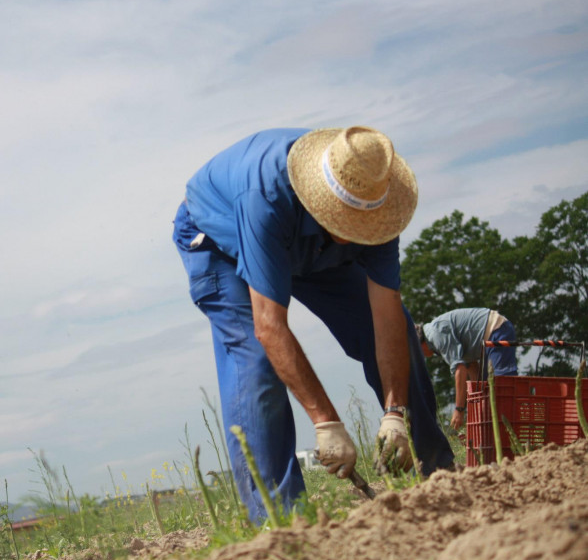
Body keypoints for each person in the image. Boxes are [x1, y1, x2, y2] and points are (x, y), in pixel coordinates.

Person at [172, 126, 454, 521]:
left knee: (402, 331)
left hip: (309, 242)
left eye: (360, 224)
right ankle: (281, 521)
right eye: (345, 220)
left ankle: (438, 476)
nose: (352, 233)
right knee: (255, 362)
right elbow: (269, 326)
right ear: (321, 199)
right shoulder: (265, 199)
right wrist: (326, 422)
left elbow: (386, 317)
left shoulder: (379, 202)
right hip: (221, 238)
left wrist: (396, 412)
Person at [415, 308, 518, 430]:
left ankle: (514, 428)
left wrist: (459, 410)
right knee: (488, 393)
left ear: (418, 344)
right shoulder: (435, 336)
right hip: (490, 336)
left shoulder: (436, 335)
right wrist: (479, 399)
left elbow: (460, 369)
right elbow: (471, 366)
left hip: (497, 330)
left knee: (503, 386)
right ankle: (500, 435)